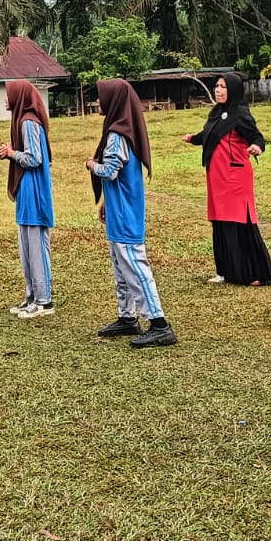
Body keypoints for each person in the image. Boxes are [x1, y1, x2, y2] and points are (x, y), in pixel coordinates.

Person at [87, 79, 176, 348]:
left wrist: (92, 165)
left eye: (102, 97)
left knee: (135, 265)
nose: (98, 102)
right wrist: (105, 202)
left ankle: (159, 323)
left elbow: (110, 171)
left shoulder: (117, 135)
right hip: (118, 208)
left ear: (114, 101)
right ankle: (127, 317)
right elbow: (121, 176)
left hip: (126, 213)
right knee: (120, 265)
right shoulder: (123, 130)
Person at [183, 71, 271, 287]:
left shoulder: (240, 113)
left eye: (223, 87)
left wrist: (257, 147)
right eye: (217, 86)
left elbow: (256, 136)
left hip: (235, 177)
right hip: (217, 178)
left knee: (239, 223)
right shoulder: (216, 113)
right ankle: (225, 271)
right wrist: (193, 139)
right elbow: (209, 134)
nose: (218, 90)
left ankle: (253, 273)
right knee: (220, 224)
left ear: (233, 90)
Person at [0, 80, 55, 317]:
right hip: (26, 190)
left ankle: (43, 300)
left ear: (19, 96)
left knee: (37, 245)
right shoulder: (22, 121)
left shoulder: (28, 122)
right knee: (26, 245)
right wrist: (11, 152)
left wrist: (12, 154)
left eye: (8, 94)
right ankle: (32, 295)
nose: (5, 99)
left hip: (34, 191)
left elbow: (35, 158)